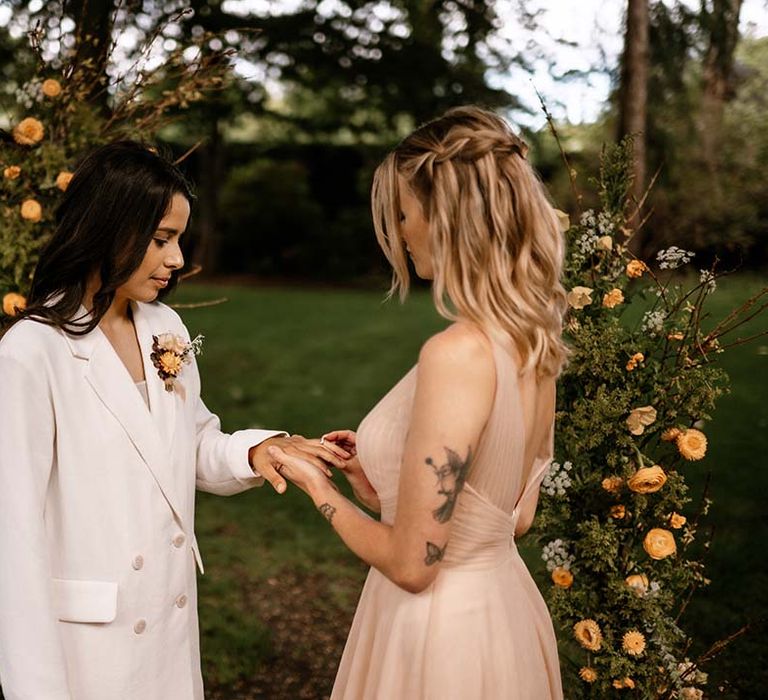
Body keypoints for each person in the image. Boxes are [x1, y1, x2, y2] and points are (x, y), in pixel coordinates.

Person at [0, 141, 345, 700]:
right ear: (106, 227)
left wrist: (256, 452)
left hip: (166, 623)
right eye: (162, 239)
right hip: (88, 652)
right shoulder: (32, 353)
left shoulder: (166, 328)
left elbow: (187, 441)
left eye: (178, 239)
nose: (178, 259)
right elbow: (13, 541)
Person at [268, 106, 568, 699]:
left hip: (441, 637)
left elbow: (412, 566)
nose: (401, 231)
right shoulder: (535, 342)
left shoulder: (457, 354)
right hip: (502, 615)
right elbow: (513, 516)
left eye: (404, 212)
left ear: (442, 216)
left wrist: (317, 487)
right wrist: (373, 489)